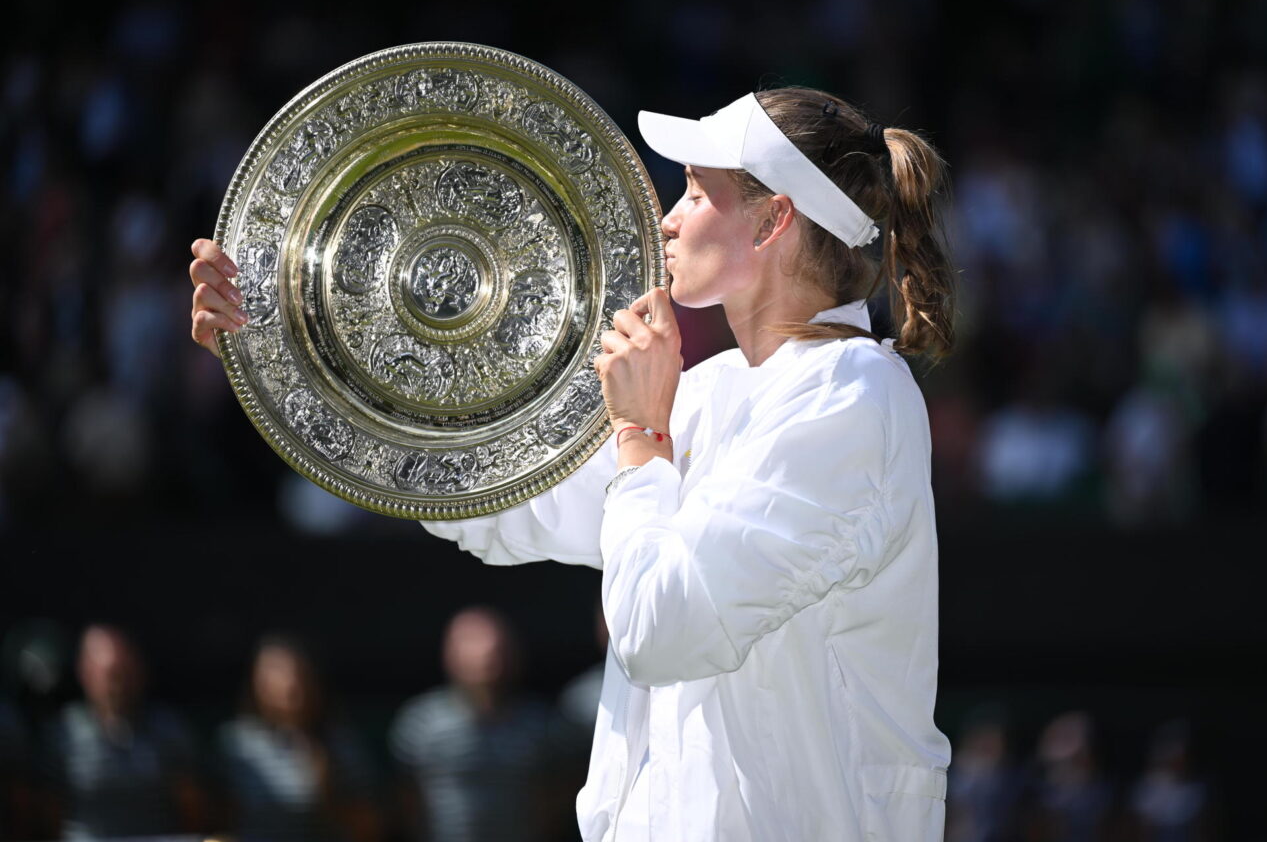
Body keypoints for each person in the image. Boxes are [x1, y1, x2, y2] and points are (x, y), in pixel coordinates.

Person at [189, 84, 958, 841]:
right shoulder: (711, 392)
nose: (668, 218)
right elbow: (504, 501)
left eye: (695, 193)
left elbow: (664, 630)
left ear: (772, 220)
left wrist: (638, 436)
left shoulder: (849, 398)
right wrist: (286, 347)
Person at [389, 606, 575, 842]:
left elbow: (557, 795)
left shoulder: (542, 724)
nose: (486, 653)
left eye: (496, 646)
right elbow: (406, 799)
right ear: (449, 653)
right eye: (471, 643)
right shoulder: (420, 722)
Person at [40, 624, 205, 840]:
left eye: (123, 672)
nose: (117, 686)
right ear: (84, 671)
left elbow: (191, 807)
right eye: (110, 675)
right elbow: (46, 810)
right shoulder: (62, 733)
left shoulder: (167, 728)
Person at [215, 634, 380, 842]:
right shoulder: (235, 745)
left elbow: (370, 829)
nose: (290, 682)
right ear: (255, 680)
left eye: (298, 672)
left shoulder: (341, 743)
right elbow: (214, 819)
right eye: (277, 672)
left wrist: (327, 787)